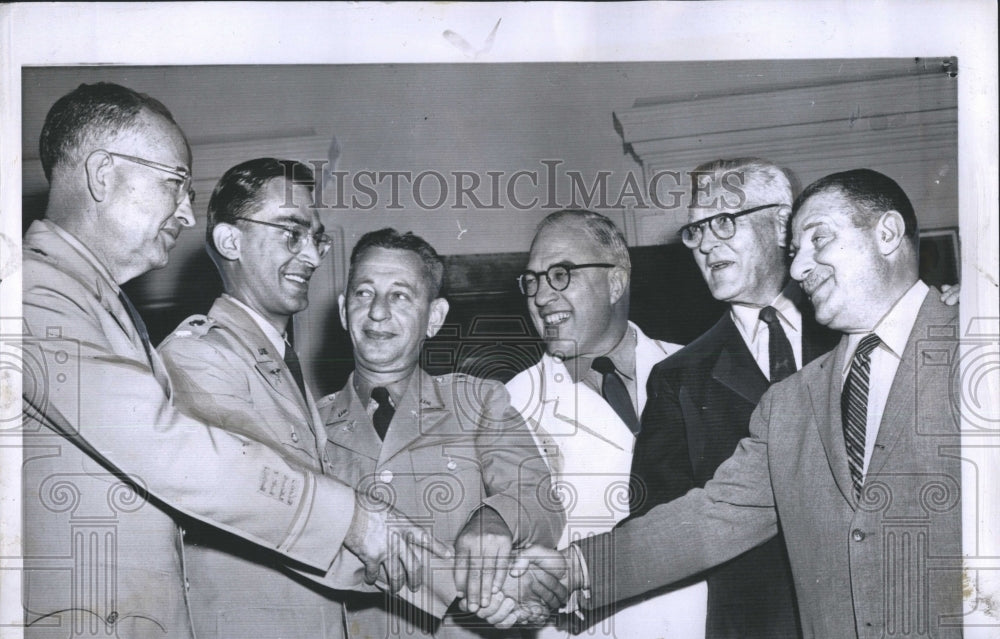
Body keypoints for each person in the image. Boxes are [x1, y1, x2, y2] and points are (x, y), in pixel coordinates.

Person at [20, 83, 448, 639]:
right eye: (174, 184)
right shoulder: (33, 293)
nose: (184, 210)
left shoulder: (95, 307)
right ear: (103, 174)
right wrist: (362, 523)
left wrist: (437, 574)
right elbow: (171, 450)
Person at [515, 169, 964, 639]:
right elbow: (711, 515)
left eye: (820, 239)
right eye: (799, 248)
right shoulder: (791, 400)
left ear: (888, 233)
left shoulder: (977, 341)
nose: (797, 267)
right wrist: (574, 568)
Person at [629, 158, 840, 638]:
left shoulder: (854, 329)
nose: (705, 243)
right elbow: (658, 523)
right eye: (695, 229)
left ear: (784, 223)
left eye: (723, 221)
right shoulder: (677, 378)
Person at [318, 228, 563, 637]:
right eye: (363, 293)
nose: (377, 312)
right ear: (344, 310)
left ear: (435, 317)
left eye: (400, 295)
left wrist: (495, 519)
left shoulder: (478, 401)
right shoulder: (307, 421)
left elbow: (540, 498)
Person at [156, 158, 351, 638]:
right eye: (292, 233)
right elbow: (283, 498)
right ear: (230, 241)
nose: (313, 256)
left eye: (316, 238)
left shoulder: (282, 363)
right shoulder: (197, 357)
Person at [505, 209, 707, 638]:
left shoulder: (700, 370)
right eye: (532, 280)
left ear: (616, 281)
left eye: (560, 274)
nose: (541, 296)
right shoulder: (510, 405)